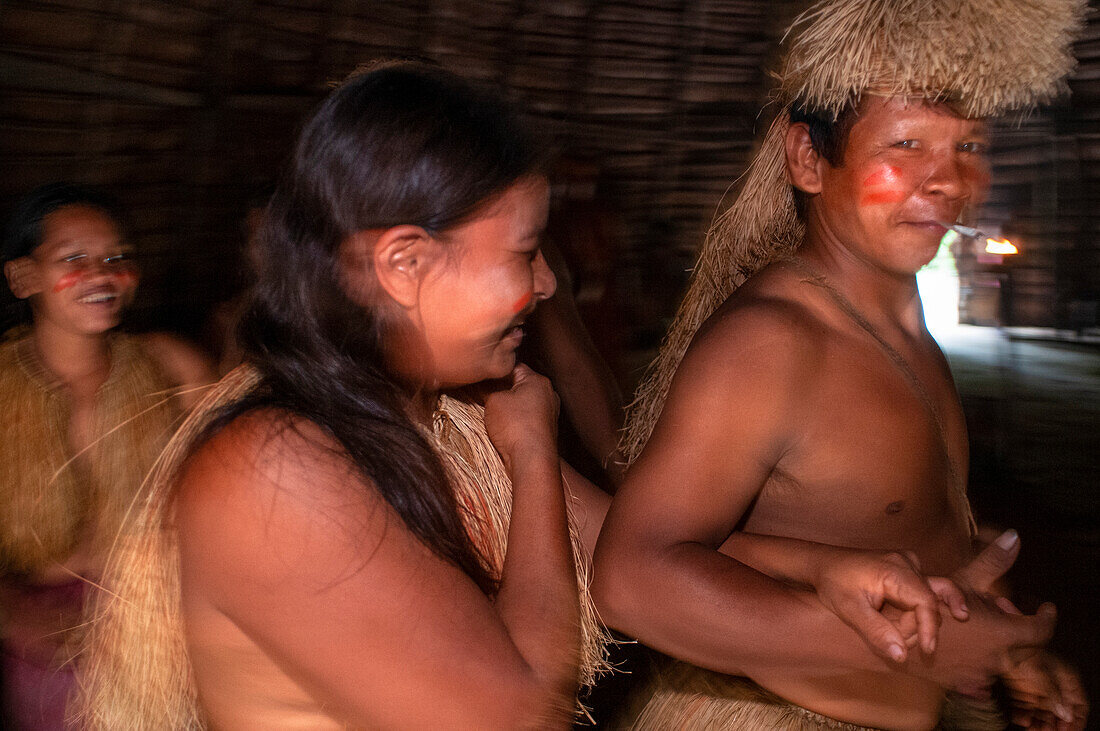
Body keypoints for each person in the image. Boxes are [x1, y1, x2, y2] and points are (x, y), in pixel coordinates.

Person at [593, 0, 1088, 729]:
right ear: (807, 160)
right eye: (907, 145)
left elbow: (900, 540)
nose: (947, 179)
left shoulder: (901, 326)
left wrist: (998, 647)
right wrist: (911, 652)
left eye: (970, 147)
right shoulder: (775, 344)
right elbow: (632, 576)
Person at [78, 62, 611, 730]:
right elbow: (520, 712)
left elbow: (627, 561)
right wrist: (533, 452)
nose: (547, 284)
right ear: (405, 264)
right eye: (525, 252)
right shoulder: (273, 469)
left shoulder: (447, 413)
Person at [0, 183, 214, 729]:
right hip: (42, 641)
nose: (102, 274)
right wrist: (19, 618)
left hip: (163, 627)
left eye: (118, 257)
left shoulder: (175, 372)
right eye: (74, 258)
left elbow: (233, 500)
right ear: (23, 277)